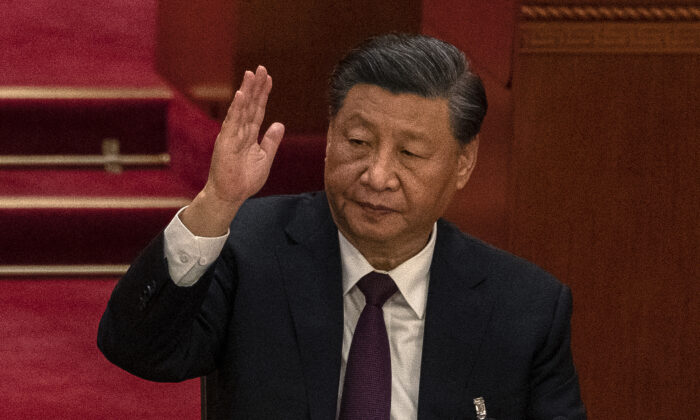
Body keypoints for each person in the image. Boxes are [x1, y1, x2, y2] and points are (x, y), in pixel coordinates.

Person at [98, 34, 586, 419]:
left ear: (463, 162)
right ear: (330, 136)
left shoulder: (524, 309)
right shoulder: (252, 251)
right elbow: (138, 348)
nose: (376, 175)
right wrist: (217, 203)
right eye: (357, 141)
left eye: (410, 154)